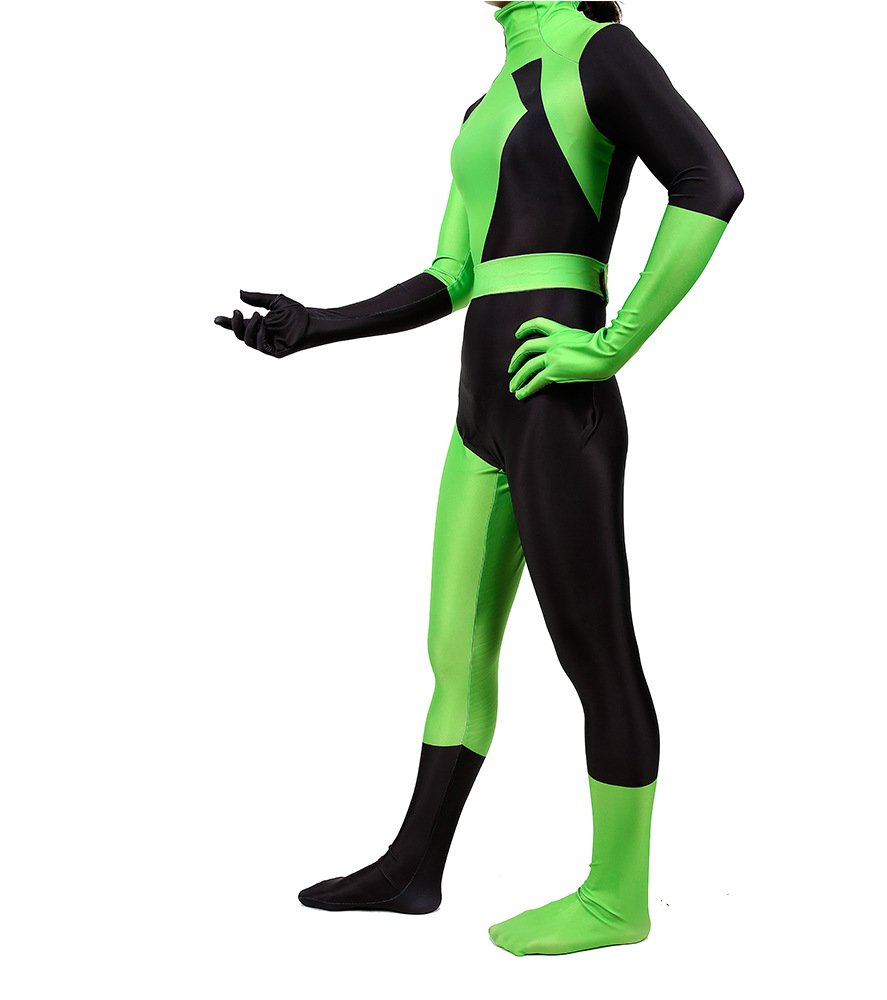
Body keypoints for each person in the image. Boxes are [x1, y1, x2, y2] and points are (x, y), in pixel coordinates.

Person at [215, 0, 742, 956]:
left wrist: (610, 345)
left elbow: (711, 182)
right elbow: (452, 274)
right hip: (480, 412)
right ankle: (413, 868)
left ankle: (617, 897)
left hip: (556, 403)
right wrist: (317, 326)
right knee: (452, 653)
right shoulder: (483, 103)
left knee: (597, 656)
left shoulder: (601, 53)